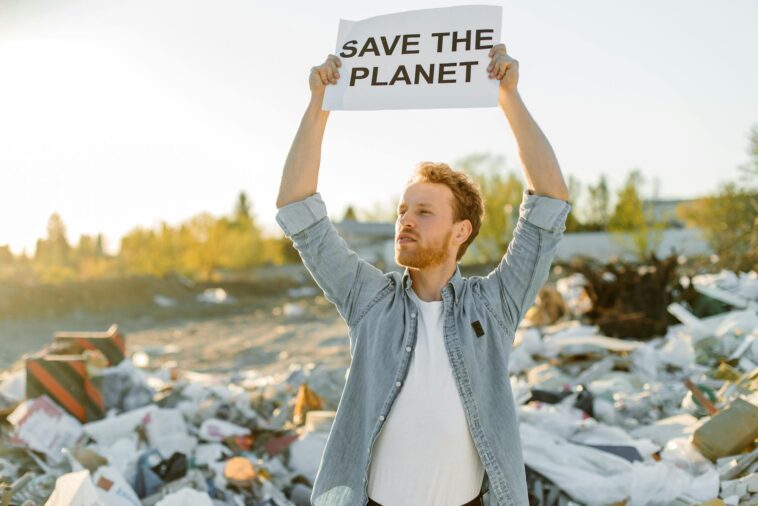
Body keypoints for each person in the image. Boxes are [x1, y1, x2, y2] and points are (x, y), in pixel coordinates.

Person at [276, 43, 570, 506]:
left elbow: (549, 205)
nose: (405, 221)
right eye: (402, 211)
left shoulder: (495, 306)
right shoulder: (368, 299)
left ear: (461, 231)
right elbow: (299, 211)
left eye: (424, 212)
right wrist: (319, 105)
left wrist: (509, 97)